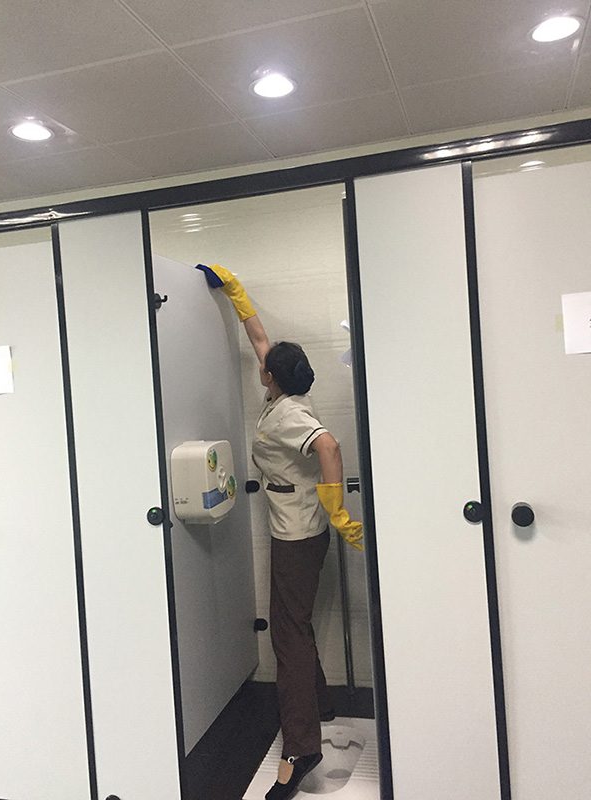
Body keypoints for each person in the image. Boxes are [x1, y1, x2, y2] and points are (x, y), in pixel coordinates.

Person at [196, 263, 364, 800]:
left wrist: (337, 509)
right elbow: (261, 339)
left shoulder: (291, 415)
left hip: (298, 535)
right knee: (295, 625)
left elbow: (329, 446)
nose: (261, 364)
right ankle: (320, 705)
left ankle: (300, 748)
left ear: (272, 377)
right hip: (296, 530)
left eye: (266, 366)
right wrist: (235, 291)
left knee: (286, 637)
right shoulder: (283, 395)